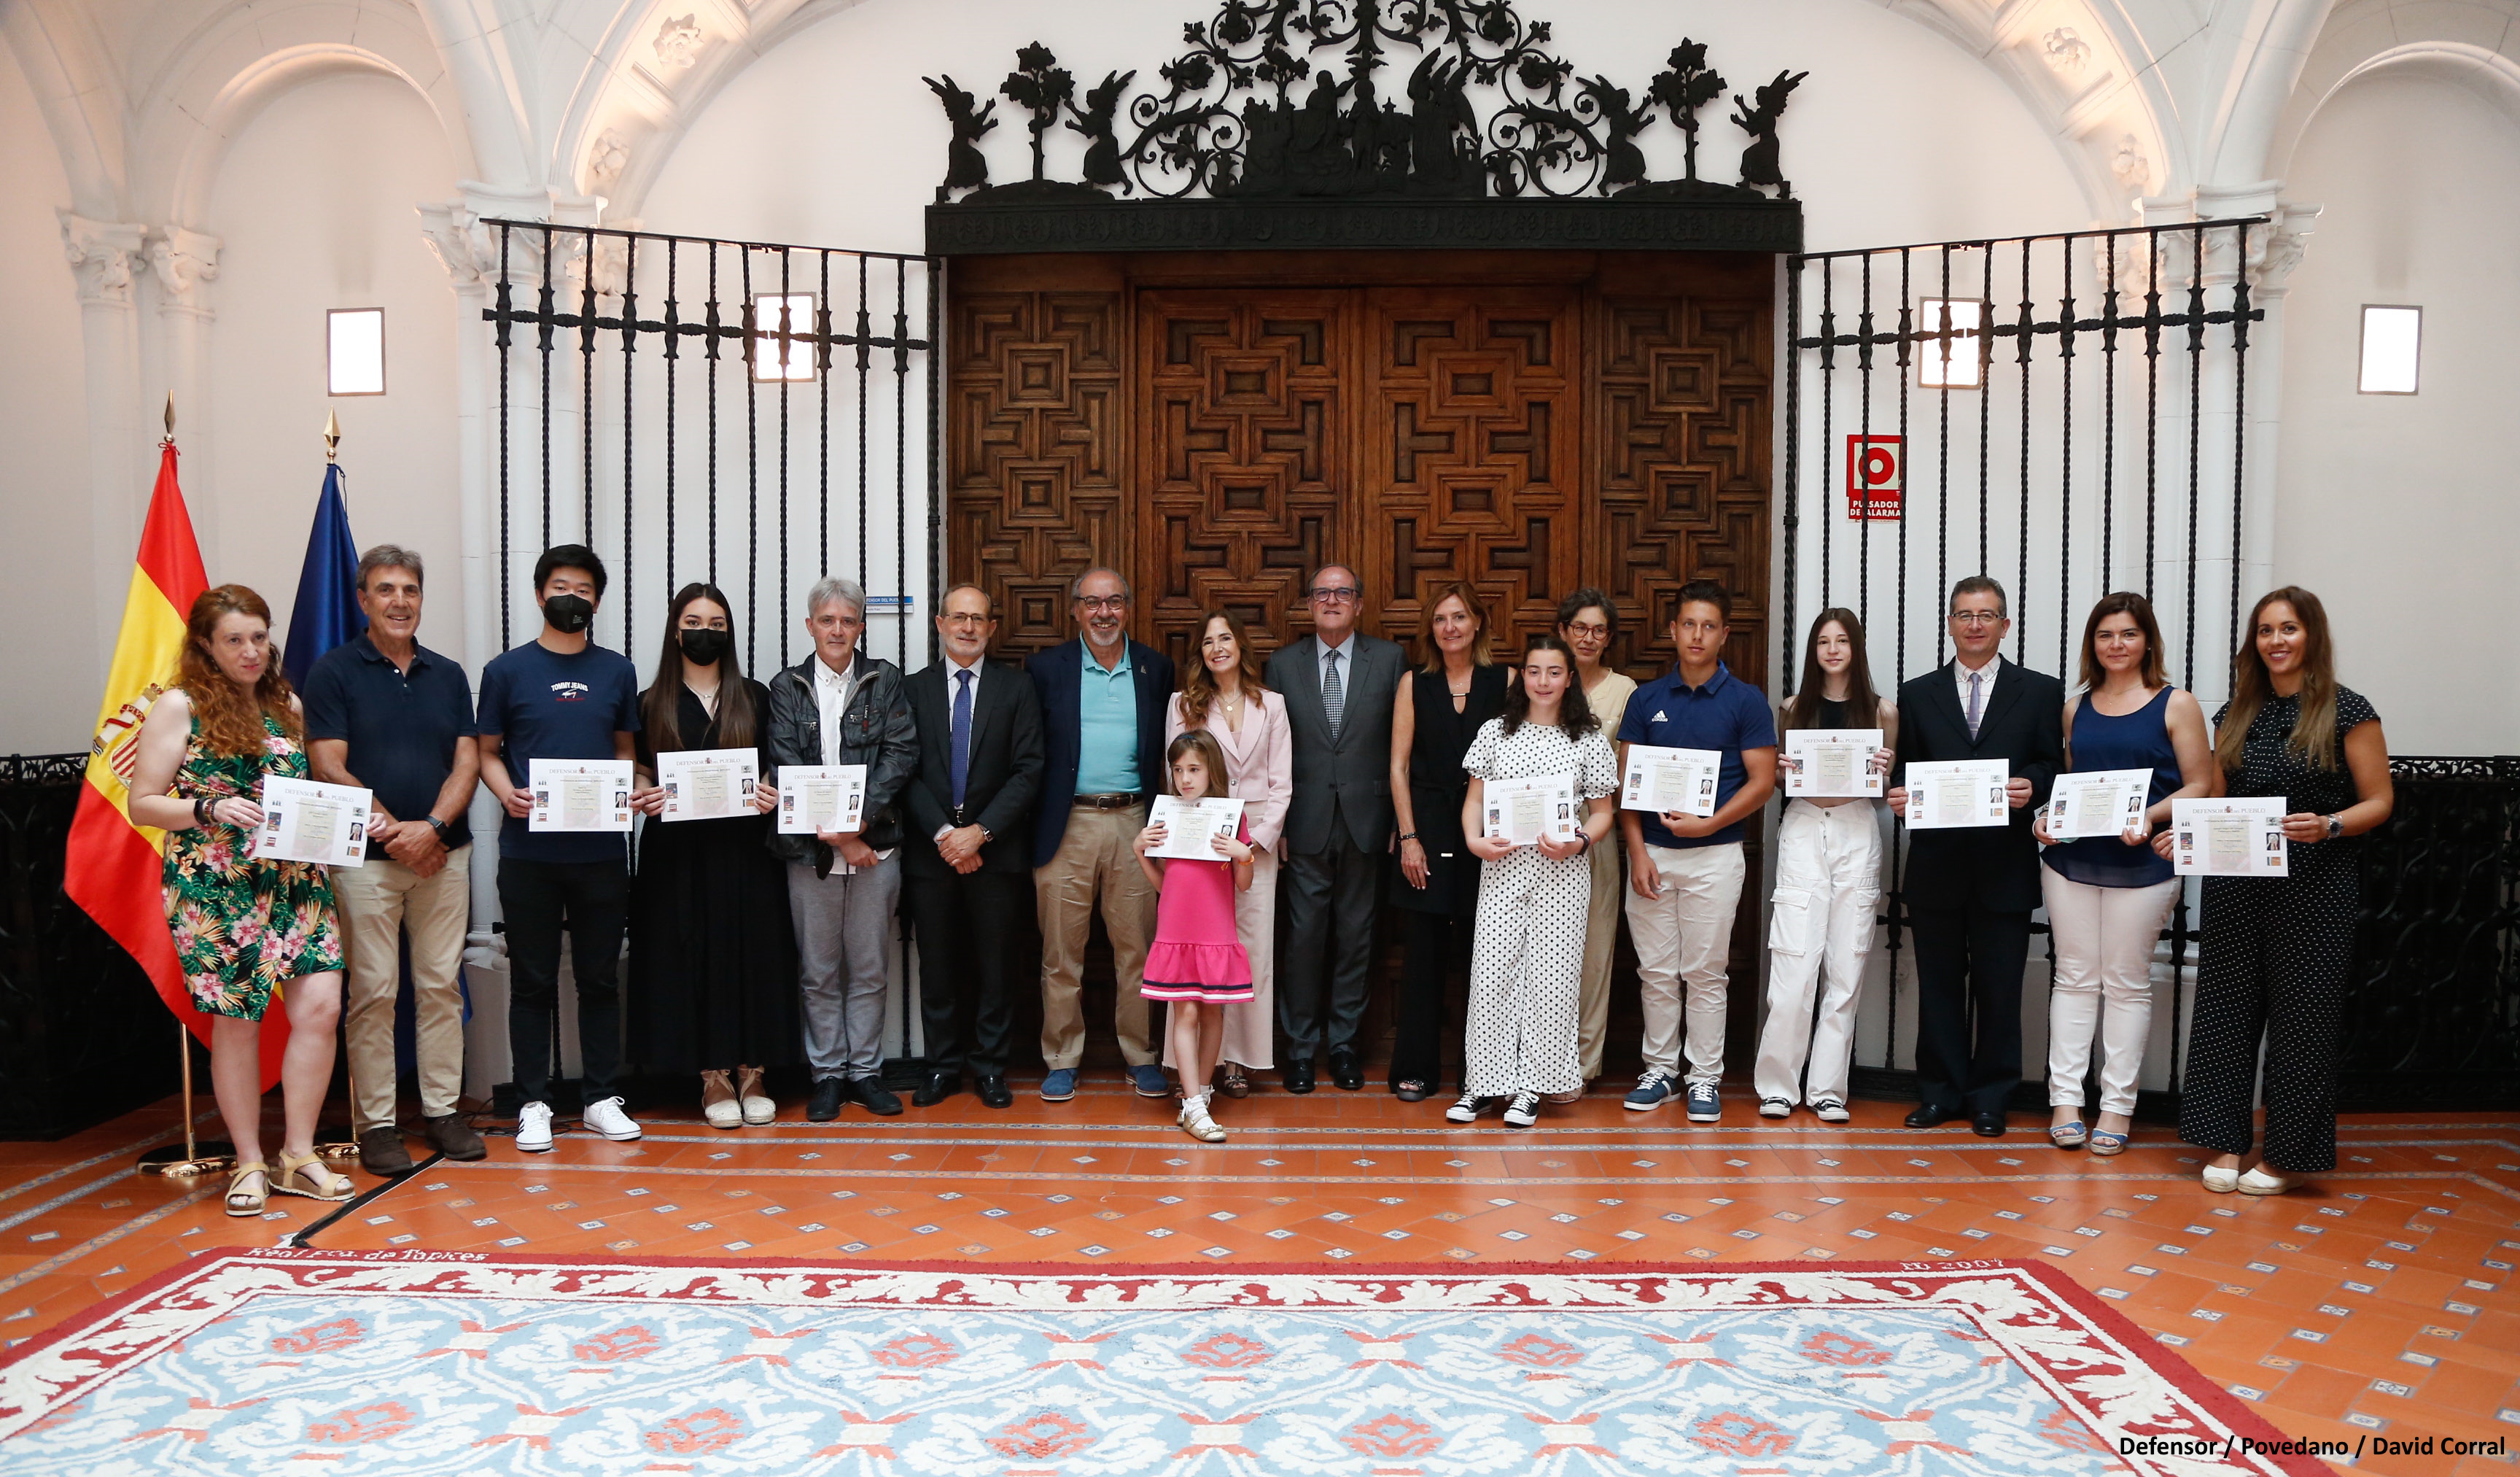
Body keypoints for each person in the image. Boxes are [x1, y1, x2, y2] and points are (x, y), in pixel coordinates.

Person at [127, 585, 351, 1214]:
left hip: (297, 882)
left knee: (322, 1007)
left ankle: (299, 1155)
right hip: (218, 886)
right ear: (205, 644)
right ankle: (249, 1160)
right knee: (238, 1022)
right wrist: (206, 807)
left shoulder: (287, 703)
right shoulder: (180, 705)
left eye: (259, 636)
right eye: (235, 640)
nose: (251, 651)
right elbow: (141, 802)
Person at [2172, 587, 2391, 1195]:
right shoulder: (2237, 711)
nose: (2276, 641)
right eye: (2265, 630)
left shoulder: (2349, 711)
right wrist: (2182, 838)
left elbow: (2381, 800)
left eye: (2288, 629)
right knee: (2225, 1011)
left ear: (2311, 636)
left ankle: (2286, 1154)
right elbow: (2215, 797)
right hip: (2237, 884)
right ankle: (2225, 1142)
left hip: (2317, 887)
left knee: (2304, 1020)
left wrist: (2331, 824)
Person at [302, 546, 483, 1176]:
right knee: (374, 991)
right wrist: (394, 833)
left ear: (421, 598)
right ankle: (377, 1122)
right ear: (363, 599)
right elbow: (328, 763)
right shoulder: (332, 672)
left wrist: (431, 829)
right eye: (385, 590)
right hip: (365, 862)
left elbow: (467, 762)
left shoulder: (449, 673)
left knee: (439, 986)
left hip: (444, 857)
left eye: (409, 589)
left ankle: (442, 1110)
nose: (399, 601)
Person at [477, 545, 645, 1152]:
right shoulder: (506, 671)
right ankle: (533, 1102)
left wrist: (627, 791)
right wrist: (508, 794)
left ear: (597, 600)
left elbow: (626, 748)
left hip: (601, 854)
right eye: (559, 586)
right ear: (540, 594)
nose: (571, 596)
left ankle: (601, 1097)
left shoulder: (617, 670)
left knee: (600, 980)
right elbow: (487, 750)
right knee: (532, 981)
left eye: (582, 588)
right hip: (528, 855)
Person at [2032, 593, 2211, 1155]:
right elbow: (2072, 785)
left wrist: (2149, 816)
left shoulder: (2176, 703)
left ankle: (2117, 1106)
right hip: (2073, 862)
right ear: (2093, 643)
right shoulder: (2074, 707)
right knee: (2075, 978)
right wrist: (2046, 819)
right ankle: (2065, 1100)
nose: (2117, 644)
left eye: (2128, 634)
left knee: (2128, 982)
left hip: (2145, 861)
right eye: (2106, 634)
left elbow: (2202, 784)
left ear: (2148, 641)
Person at [1886, 575, 2065, 1138]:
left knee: (1999, 987)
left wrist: (2030, 785)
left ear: (2005, 625)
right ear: (1950, 624)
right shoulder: (1917, 693)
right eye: (1964, 615)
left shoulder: (2039, 690)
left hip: (2004, 864)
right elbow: (1905, 771)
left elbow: (2055, 766)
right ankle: (1939, 1093)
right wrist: (1898, 797)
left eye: (1987, 615)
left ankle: (1991, 1097)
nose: (1975, 624)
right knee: (1937, 985)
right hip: (1937, 864)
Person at [625, 583, 798, 1129]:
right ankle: (711, 1074)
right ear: (676, 629)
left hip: (745, 852)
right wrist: (641, 789)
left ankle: (752, 1069)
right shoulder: (649, 701)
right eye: (695, 622)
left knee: (750, 952)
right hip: (675, 856)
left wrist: (770, 787)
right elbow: (636, 769)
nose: (706, 632)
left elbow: (777, 763)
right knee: (686, 954)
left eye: (717, 623)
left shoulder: (755, 696)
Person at [1616, 580, 1778, 1123]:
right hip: (1653, 856)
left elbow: (1761, 782)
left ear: (1724, 634)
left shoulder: (1746, 700)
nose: (1697, 635)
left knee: (1706, 971)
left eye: (1709, 626)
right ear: (1673, 630)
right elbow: (1626, 785)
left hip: (1716, 855)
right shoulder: (1646, 699)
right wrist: (1637, 853)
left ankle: (1704, 1077)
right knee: (1656, 971)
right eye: (1689, 624)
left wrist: (1708, 823)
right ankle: (1660, 1070)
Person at [1450, 635, 1619, 1129]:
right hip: (1502, 869)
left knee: (1552, 979)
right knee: (1493, 974)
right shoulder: (1496, 733)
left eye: (1553, 672)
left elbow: (1605, 812)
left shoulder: (1586, 738)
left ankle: (1531, 1087)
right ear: (1521, 676)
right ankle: (1483, 1084)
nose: (1543, 681)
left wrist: (1580, 841)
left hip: (1563, 874)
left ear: (1569, 679)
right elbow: (1475, 801)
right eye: (1533, 671)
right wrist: (1473, 840)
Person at [766, 577, 918, 1120]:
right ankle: (828, 1073)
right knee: (820, 969)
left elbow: (900, 756)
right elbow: (785, 763)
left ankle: (866, 1073)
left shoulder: (885, 681)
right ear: (810, 626)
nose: (837, 629)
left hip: (875, 849)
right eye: (826, 620)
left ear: (860, 627)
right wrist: (833, 835)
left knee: (871, 966)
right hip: (810, 853)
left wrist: (855, 830)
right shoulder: (786, 687)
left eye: (847, 620)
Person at [1027, 568, 1178, 1102]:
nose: (1104, 612)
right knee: (1061, 950)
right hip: (1066, 824)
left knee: (1136, 947)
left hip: (1136, 821)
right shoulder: (1047, 669)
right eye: (1092, 603)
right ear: (1075, 610)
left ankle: (1141, 1054)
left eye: (1114, 601)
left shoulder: (1155, 668)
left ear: (1128, 607)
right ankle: (1062, 1056)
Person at [902, 584, 1045, 1111]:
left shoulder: (1017, 689)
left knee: (995, 966)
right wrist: (946, 835)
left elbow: (1029, 771)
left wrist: (979, 832)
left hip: (997, 853)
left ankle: (990, 1067)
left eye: (978, 619)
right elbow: (904, 770)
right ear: (939, 624)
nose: (967, 627)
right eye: (958, 617)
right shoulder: (912, 690)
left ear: (991, 628)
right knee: (937, 966)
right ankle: (941, 1066)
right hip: (931, 853)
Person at [1266, 564, 1407, 1093]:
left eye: (1342, 592)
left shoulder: (1390, 661)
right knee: (1302, 940)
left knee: (1356, 939)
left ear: (1359, 604)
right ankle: (1300, 1049)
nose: (1332, 600)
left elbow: (1402, 748)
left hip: (1369, 823)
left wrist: (1399, 820)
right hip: (1303, 823)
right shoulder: (1283, 665)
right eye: (1322, 593)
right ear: (1309, 604)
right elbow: (1271, 753)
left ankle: (1344, 1046)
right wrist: (1274, 822)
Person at [1753, 609, 1897, 1124]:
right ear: (1813, 650)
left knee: (1848, 960)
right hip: (1805, 824)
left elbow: (1883, 794)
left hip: (1857, 827)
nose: (1832, 650)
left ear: (1856, 648)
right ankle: (1777, 1084)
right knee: (1794, 958)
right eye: (1823, 642)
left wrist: (1884, 770)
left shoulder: (1883, 710)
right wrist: (1782, 772)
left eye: (1841, 641)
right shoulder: (1793, 706)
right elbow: (1777, 782)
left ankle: (1829, 1088)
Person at [1387, 582, 1510, 1101]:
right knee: (1424, 954)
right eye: (1440, 619)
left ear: (1478, 622)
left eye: (1459, 617)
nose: (1450, 627)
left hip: (1488, 832)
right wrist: (1409, 837)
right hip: (1429, 827)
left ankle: (1482, 1075)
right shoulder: (1415, 683)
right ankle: (1416, 1067)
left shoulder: (1504, 680)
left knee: (1487, 958)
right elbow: (1397, 766)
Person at [1164, 610, 1291, 1098]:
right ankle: (1193, 1067)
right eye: (1208, 641)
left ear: (1240, 645)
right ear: (1200, 653)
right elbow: (1174, 773)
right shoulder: (1184, 703)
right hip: (1199, 840)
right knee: (1195, 952)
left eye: (1226, 638)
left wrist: (1254, 842)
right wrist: (1188, 839)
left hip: (1254, 840)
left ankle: (1239, 1060)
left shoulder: (1272, 704)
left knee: (1250, 951)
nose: (1218, 647)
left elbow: (1282, 783)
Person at [1134, 729, 1258, 1141]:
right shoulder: (1166, 816)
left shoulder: (1230, 816)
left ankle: (1200, 1092)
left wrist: (1245, 855)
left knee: (1212, 1011)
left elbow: (1242, 884)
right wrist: (1139, 852)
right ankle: (1191, 1104)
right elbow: (1164, 884)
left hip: (1214, 930)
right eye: (1178, 770)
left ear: (1211, 771)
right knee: (1184, 1012)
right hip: (1176, 927)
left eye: (1194, 769)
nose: (1185, 778)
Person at [1558, 588, 1636, 1094]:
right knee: (1543, 949)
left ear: (1608, 638)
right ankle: (1539, 1057)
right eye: (1580, 627)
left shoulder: (1625, 690)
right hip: (1536, 836)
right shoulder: (1540, 679)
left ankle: (1581, 1066)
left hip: (1598, 832)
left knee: (1593, 953)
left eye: (1599, 629)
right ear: (1563, 631)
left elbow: (1628, 774)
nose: (1588, 637)